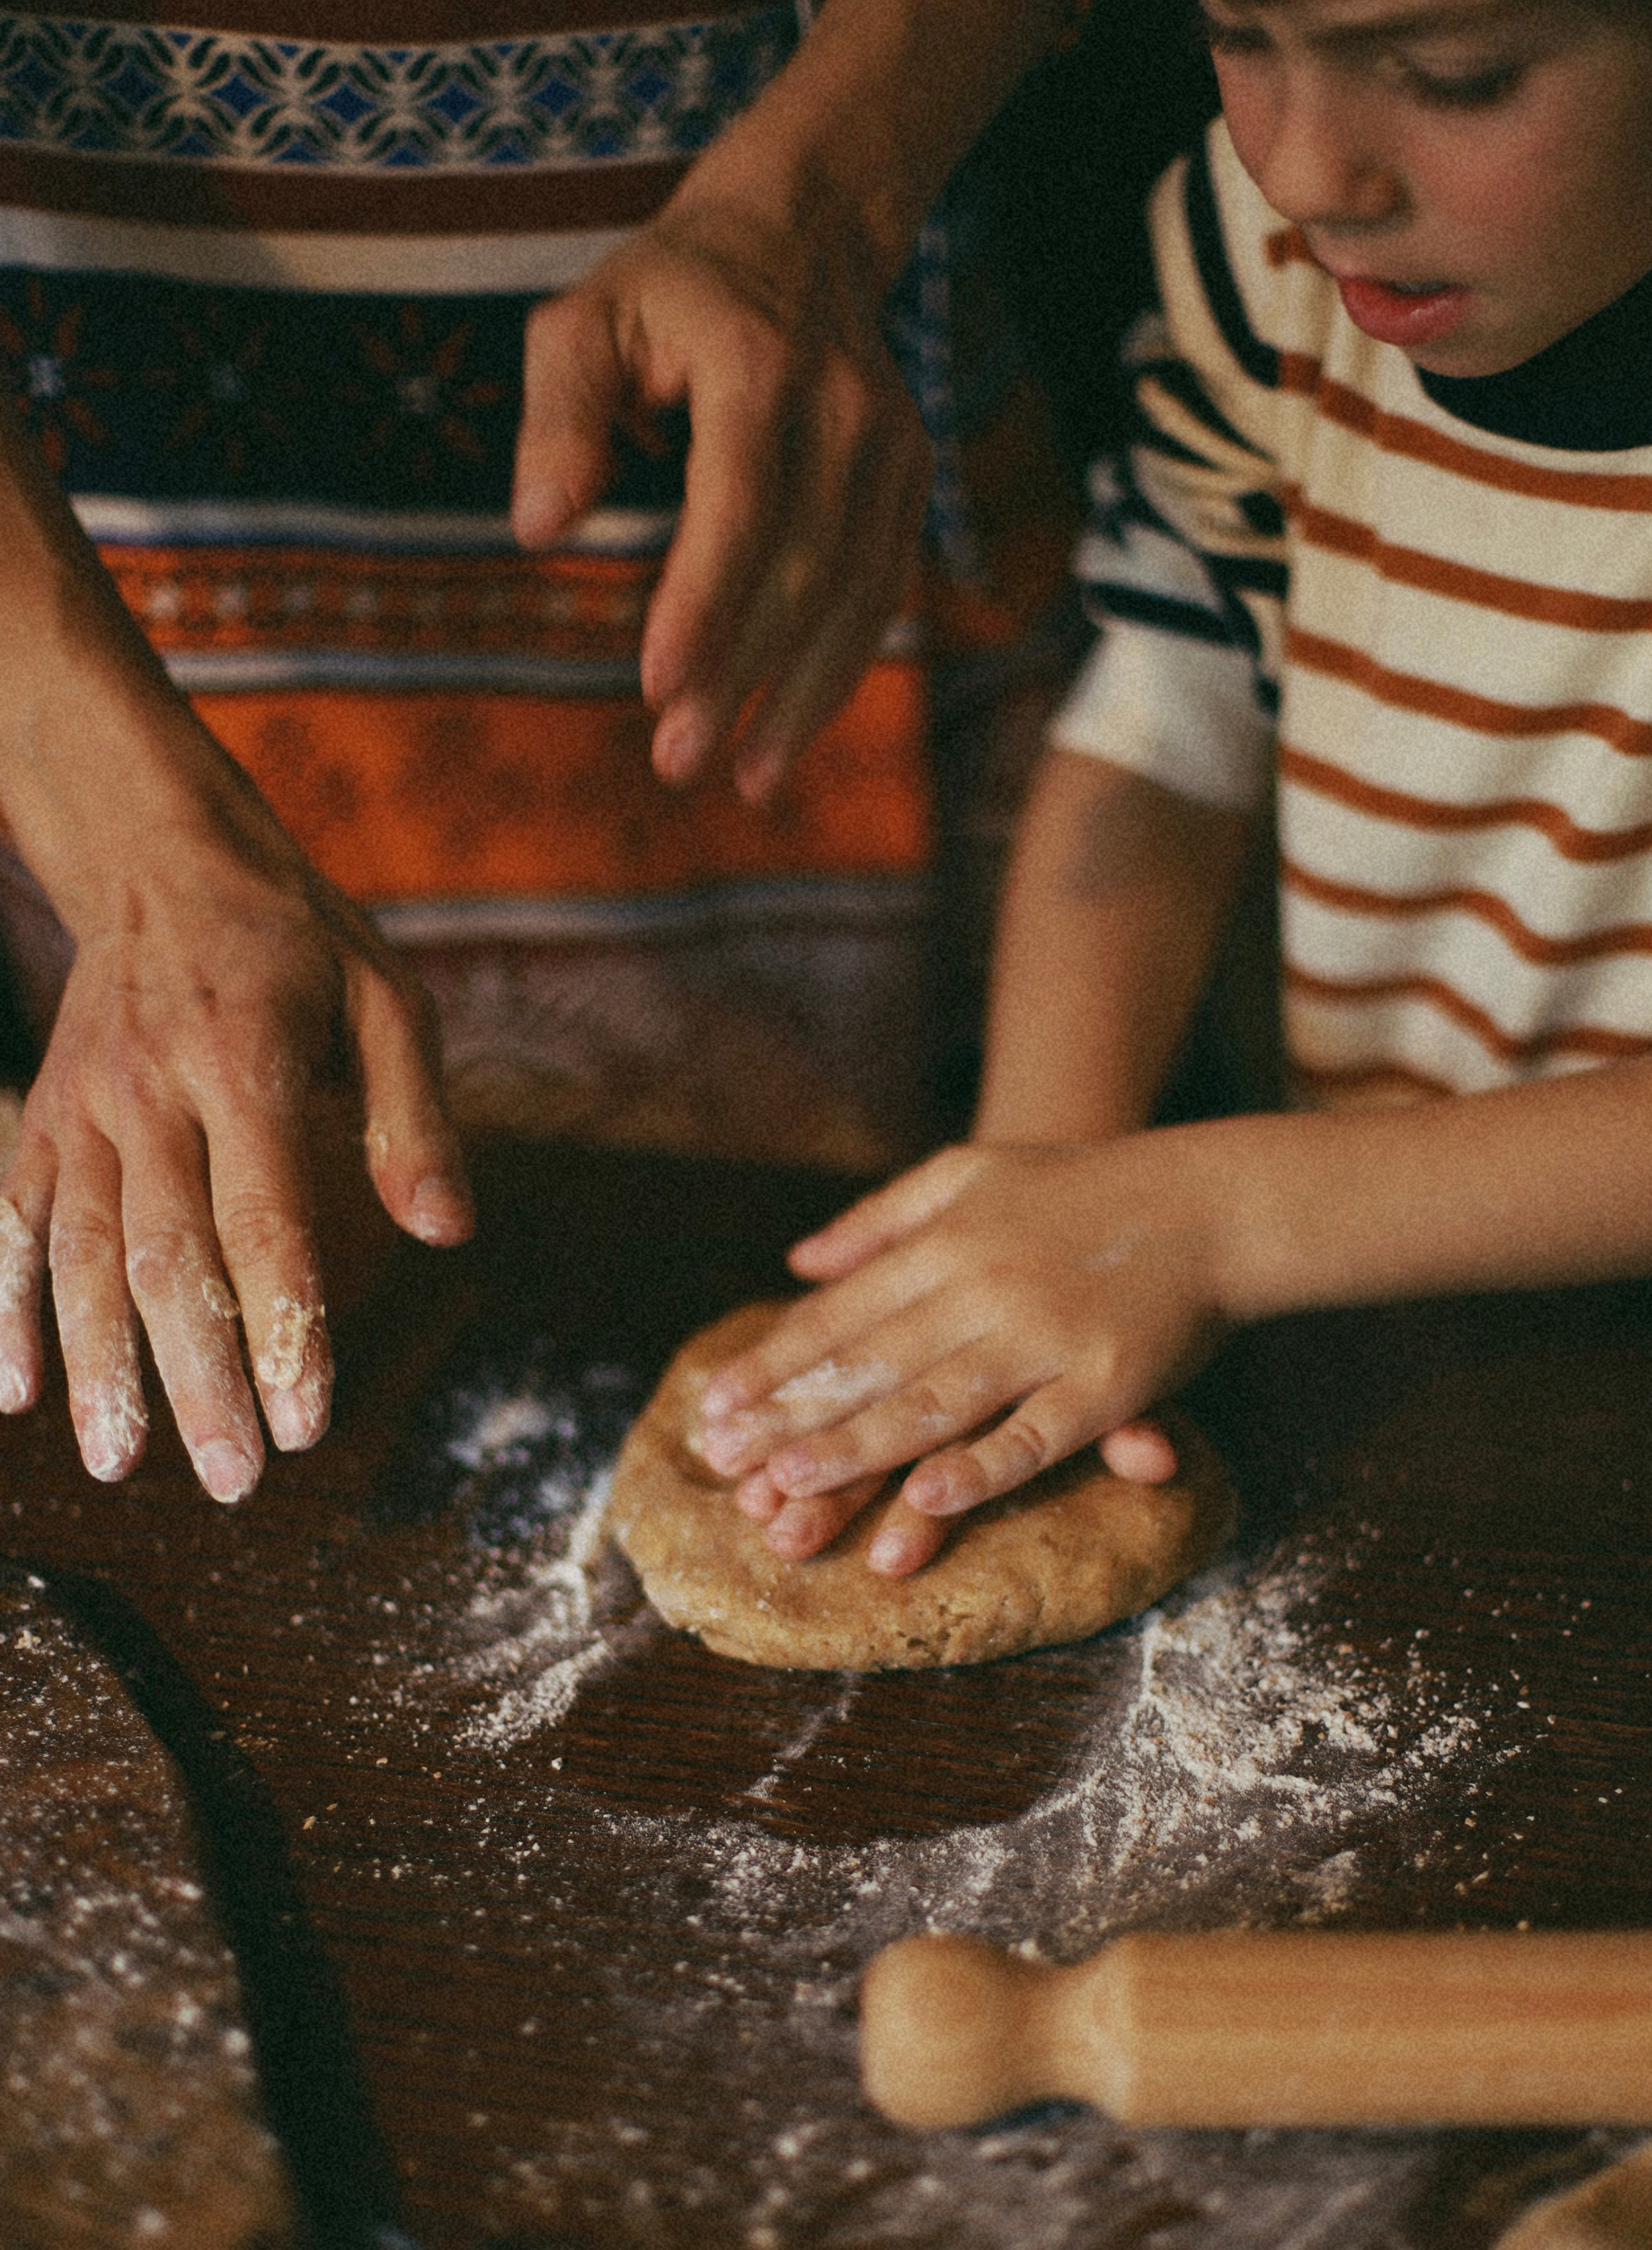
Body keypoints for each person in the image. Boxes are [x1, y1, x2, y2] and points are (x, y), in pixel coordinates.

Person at [0, 0, 1079, 1500]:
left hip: (778, 411)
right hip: (81, 550)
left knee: (817, 1209)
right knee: (254, 1216)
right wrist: (130, 852)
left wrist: (819, 192)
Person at [694, 0, 1652, 1575]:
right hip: (1390, 1325)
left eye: (1454, 76)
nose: (1303, 171)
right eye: (1239, 36)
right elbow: (1172, 714)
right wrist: (1038, 1201)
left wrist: (1210, 1221)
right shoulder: (1269, 260)